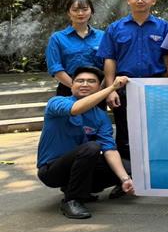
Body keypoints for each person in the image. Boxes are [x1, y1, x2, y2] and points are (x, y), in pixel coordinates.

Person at [36, 66, 135, 219]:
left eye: (91, 81)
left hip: (81, 165)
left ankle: (78, 187)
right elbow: (76, 109)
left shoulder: (101, 116)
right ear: (72, 85)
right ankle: (72, 200)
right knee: (91, 148)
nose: (85, 84)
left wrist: (125, 179)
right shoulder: (56, 102)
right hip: (52, 170)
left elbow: (109, 149)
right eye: (80, 81)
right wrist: (112, 88)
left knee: (130, 168)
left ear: (99, 87)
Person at [96, 0, 168, 160]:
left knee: (157, 129)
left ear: (153, 1)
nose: (140, 1)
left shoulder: (164, 27)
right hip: (124, 86)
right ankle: (127, 172)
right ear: (128, 0)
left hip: (155, 86)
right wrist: (111, 90)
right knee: (124, 130)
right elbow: (109, 59)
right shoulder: (115, 28)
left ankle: (157, 169)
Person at [45, 0, 105, 97]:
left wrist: (101, 88)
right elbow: (55, 67)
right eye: (75, 10)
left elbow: (109, 64)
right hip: (68, 88)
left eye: (85, 9)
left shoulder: (103, 36)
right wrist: (75, 87)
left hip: (97, 90)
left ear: (91, 11)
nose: (80, 13)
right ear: (68, 13)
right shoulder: (57, 38)